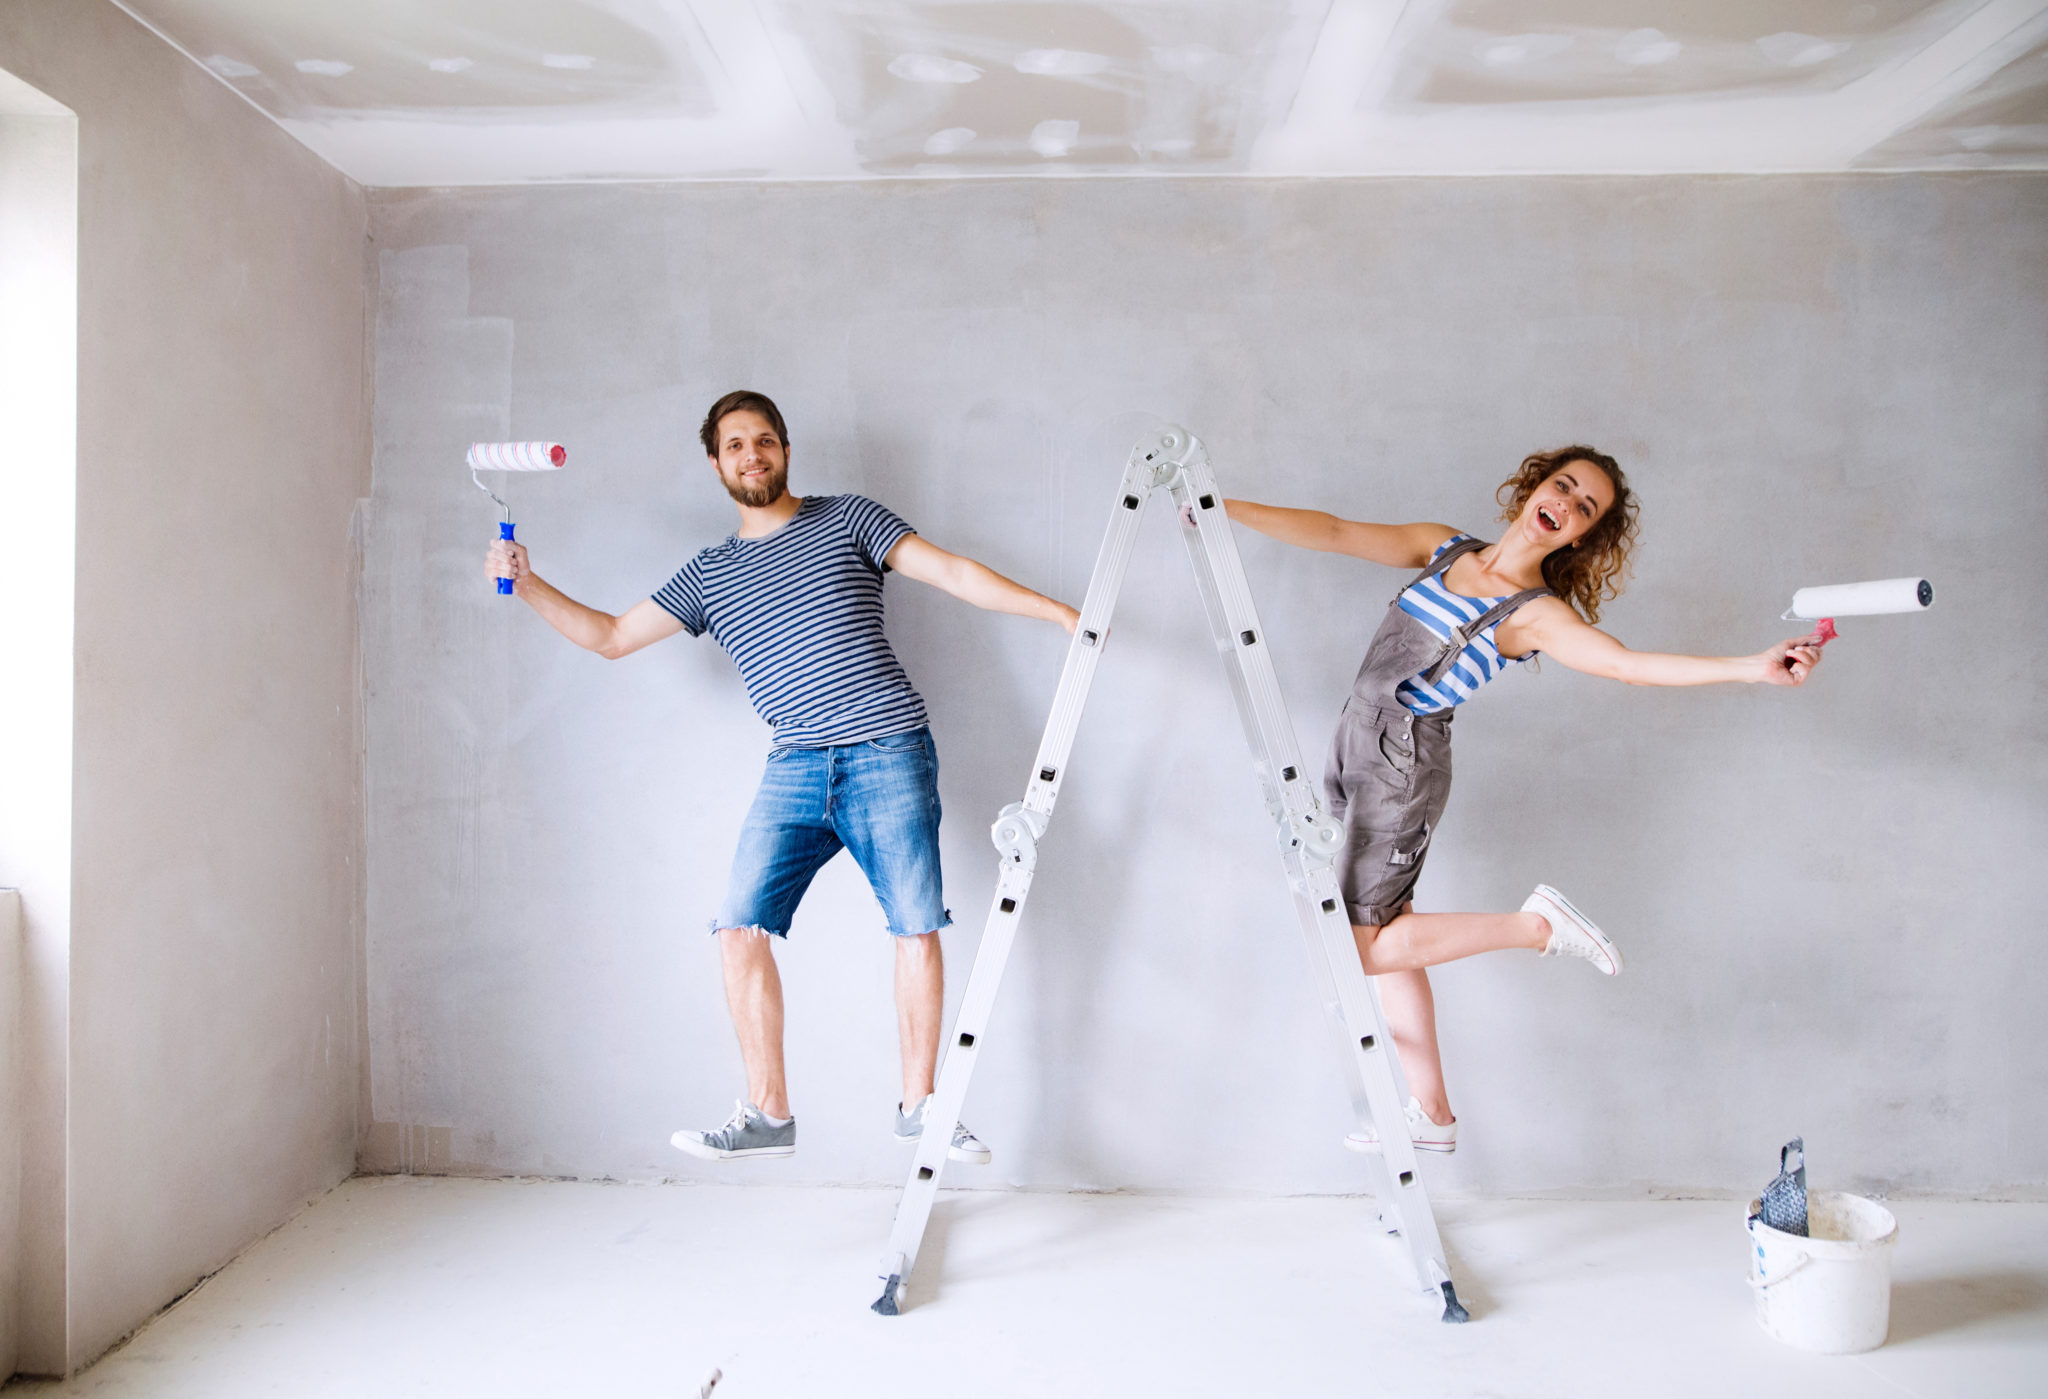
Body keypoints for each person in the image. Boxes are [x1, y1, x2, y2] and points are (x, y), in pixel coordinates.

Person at [486, 390, 1078, 1165]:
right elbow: (610, 636)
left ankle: (920, 1106)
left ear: (785, 450)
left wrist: (1061, 616)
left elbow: (954, 573)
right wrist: (526, 582)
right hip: (796, 761)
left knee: (914, 922)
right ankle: (769, 1112)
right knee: (737, 925)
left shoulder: (848, 519)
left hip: (887, 745)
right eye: (735, 445)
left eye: (764, 440)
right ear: (716, 462)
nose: (752, 454)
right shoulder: (710, 574)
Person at [1225, 447, 1822, 1154]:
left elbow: (1628, 666)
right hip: (1353, 737)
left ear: (1579, 538)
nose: (1566, 503)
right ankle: (1434, 1116)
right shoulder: (1442, 545)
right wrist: (1217, 509)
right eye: (1563, 485)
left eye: (1585, 508)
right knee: (1391, 929)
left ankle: (1535, 927)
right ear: (1534, 486)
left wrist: (1751, 668)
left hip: (1402, 764)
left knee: (1355, 947)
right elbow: (1333, 531)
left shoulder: (1536, 615)